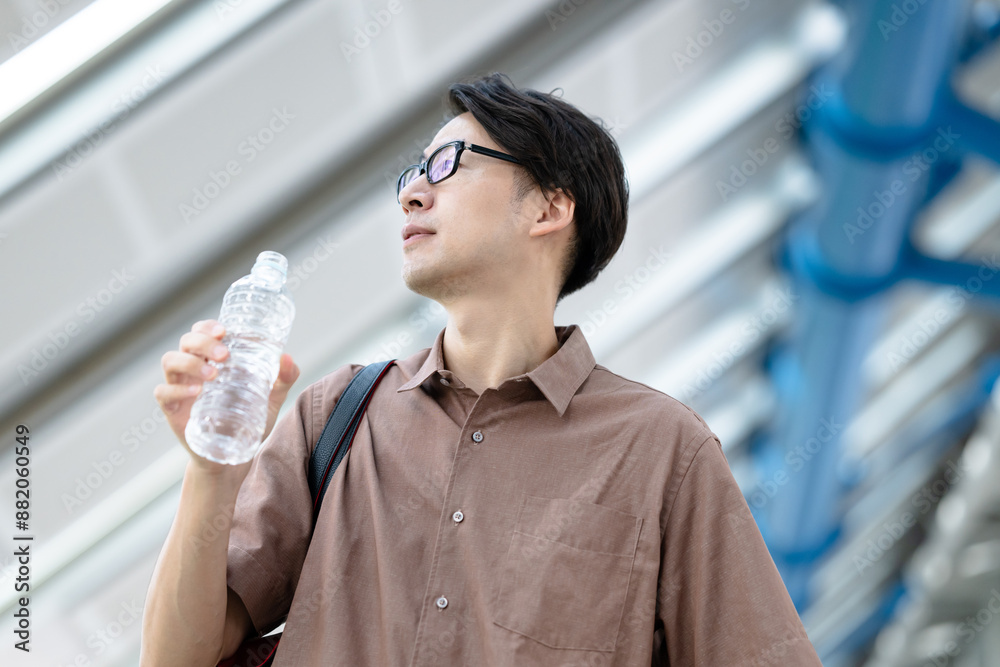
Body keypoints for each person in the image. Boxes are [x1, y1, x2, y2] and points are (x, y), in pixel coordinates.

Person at [140, 72, 823, 666]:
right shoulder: (337, 413)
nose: (412, 194)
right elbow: (177, 656)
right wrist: (214, 468)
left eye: (449, 165)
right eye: (412, 175)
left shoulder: (661, 451)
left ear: (550, 208)